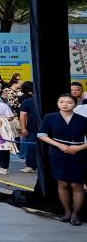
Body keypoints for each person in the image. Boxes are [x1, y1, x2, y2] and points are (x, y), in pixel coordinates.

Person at [37, 95, 87, 225]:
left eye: (69, 102)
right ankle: (67, 212)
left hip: (79, 155)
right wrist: (59, 145)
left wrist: (78, 148)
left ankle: (76, 214)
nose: (65, 104)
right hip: (57, 154)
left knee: (77, 184)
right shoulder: (50, 117)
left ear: (75, 104)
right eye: (61, 102)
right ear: (57, 103)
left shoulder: (83, 120)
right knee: (62, 183)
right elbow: (41, 134)